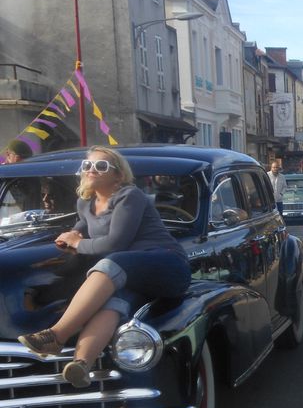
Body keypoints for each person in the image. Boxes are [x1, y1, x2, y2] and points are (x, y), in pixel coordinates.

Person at [18, 147, 191, 387]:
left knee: (109, 263)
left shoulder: (130, 196)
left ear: (118, 175)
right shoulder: (85, 203)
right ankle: (81, 365)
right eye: (87, 166)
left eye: (101, 166)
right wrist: (70, 236)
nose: (91, 170)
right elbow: (81, 229)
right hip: (130, 273)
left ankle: (56, 335)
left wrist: (78, 244)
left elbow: (115, 242)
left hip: (166, 264)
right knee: (112, 304)